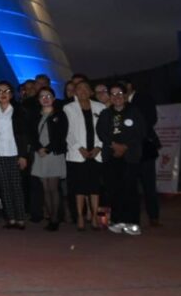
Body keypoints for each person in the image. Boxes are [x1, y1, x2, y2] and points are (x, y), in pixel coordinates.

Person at [97, 83, 146, 236]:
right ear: (109, 97)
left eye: (119, 93)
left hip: (130, 156)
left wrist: (125, 147)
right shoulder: (105, 113)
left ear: (125, 95)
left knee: (130, 189)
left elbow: (141, 132)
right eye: (113, 94)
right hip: (111, 156)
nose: (116, 97)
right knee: (114, 189)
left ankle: (133, 222)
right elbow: (101, 132)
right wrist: (114, 146)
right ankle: (117, 220)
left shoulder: (134, 111)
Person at [0, 81, 30, 229]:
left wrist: (23, 155)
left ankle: (21, 218)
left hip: (14, 152)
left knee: (16, 187)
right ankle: (10, 218)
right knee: (4, 187)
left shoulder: (18, 110)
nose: (3, 94)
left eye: (6, 91)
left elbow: (23, 134)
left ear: (11, 94)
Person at [64, 80, 104, 231]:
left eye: (86, 88)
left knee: (94, 187)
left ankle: (94, 216)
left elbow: (103, 130)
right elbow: (67, 131)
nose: (82, 91)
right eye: (79, 89)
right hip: (77, 153)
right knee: (79, 187)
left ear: (91, 91)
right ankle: (80, 216)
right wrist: (78, 147)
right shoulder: (68, 108)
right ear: (75, 92)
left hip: (95, 152)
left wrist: (98, 147)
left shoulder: (100, 107)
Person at [30, 87, 68, 231]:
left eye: (48, 96)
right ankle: (50, 216)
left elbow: (61, 135)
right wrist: (39, 147)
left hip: (53, 154)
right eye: (42, 96)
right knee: (45, 188)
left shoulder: (60, 115)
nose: (45, 98)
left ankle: (55, 219)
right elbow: (32, 134)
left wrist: (47, 148)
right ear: (38, 100)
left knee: (53, 187)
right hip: (40, 154)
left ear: (53, 98)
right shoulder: (36, 115)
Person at [126, 79, 161, 227]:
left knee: (149, 185)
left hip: (144, 148)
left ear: (130, 85)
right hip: (127, 151)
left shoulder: (143, 98)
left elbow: (151, 119)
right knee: (130, 186)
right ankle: (133, 218)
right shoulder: (117, 101)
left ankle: (153, 217)